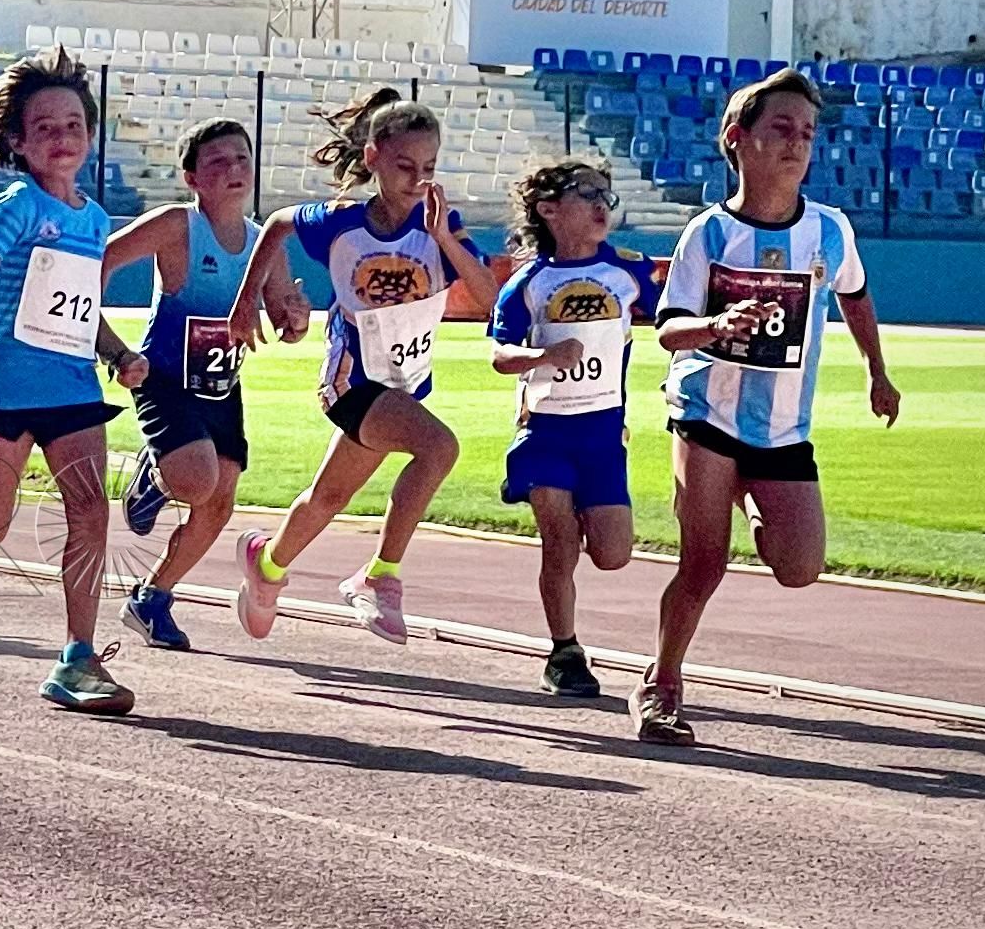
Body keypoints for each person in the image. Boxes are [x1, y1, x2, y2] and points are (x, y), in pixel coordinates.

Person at [639, 69, 900, 746]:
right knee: (704, 564)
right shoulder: (709, 233)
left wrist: (878, 371)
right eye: (781, 128)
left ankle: (747, 494)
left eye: (808, 132)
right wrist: (717, 325)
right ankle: (661, 685)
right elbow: (668, 329)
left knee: (799, 566)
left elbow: (857, 295)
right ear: (739, 139)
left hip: (783, 428)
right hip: (708, 415)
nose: (797, 143)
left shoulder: (829, 231)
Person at [0, 47, 150, 714]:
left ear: (90, 134)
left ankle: (76, 656)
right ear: (18, 143)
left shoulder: (94, 218)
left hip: (73, 389)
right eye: (46, 127)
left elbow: (82, 308)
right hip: (7, 388)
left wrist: (118, 355)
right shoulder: (18, 205)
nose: (63, 137)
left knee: (89, 510)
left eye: (74, 124)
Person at [229, 88, 486, 647]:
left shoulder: (442, 223)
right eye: (403, 166)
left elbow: (489, 295)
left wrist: (444, 237)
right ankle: (380, 576)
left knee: (328, 498)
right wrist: (247, 299)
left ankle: (267, 566)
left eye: (429, 168)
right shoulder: (341, 223)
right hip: (351, 379)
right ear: (372, 157)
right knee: (439, 448)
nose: (417, 178)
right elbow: (276, 224)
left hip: (403, 382)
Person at [102, 120, 299, 651]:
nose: (233, 170)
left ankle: (152, 597)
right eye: (218, 162)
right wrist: (110, 344)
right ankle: (155, 478)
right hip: (163, 376)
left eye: (242, 159)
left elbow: (285, 316)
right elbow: (96, 263)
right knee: (194, 481)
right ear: (192, 177)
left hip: (220, 386)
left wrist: (295, 317)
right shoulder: (175, 226)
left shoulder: (265, 242)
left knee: (219, 501)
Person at [489, 159, 659, 698]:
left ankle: (582, 507)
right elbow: (499, 353)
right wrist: (542, 354)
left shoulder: (629, 272)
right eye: (589, 195)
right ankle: (564, 652)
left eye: (606, 195)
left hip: (604, 433)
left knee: (613, 554)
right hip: (547, 431)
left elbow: (673, 315)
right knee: (559, 543)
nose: (602, 206)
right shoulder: (529, 283)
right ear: (549, 210)